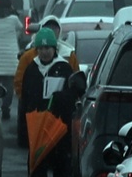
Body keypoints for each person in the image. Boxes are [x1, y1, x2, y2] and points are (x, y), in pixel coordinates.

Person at [21, 27, 75, 177]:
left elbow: (73, 94)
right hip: (37, 121)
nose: (45, 52)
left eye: (48, 48)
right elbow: (25, 97)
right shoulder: (32, 69)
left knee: (61, 158)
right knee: (38, 157)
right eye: (41, 49)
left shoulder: (64, 68)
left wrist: (62, 98)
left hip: (58, 122)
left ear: (55, 49)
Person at [13, 15, 81, 147]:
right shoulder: (30, 59)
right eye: (47, 27)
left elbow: (74, 84)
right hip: (36, 116)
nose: (44, 52)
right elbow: (20, 83)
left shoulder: (68, 56)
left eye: (54, 28)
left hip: (60, 118)